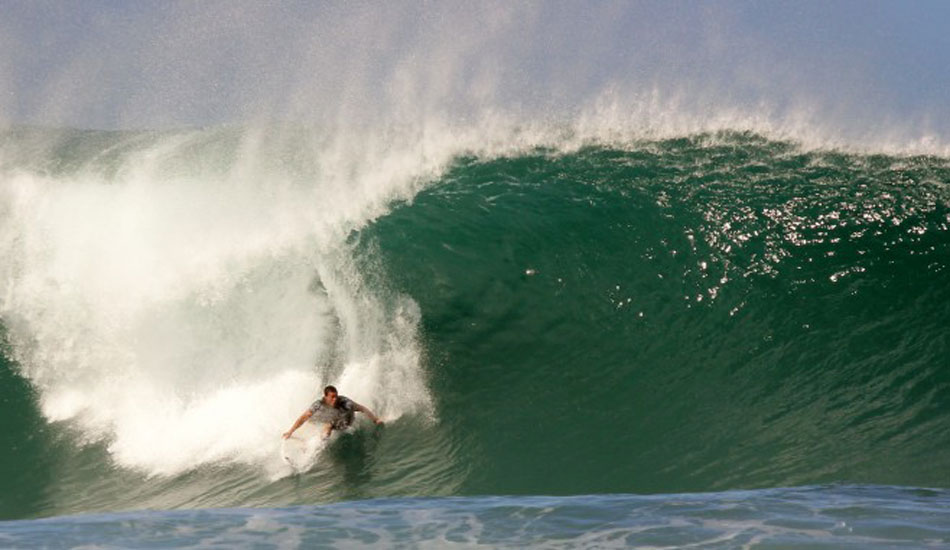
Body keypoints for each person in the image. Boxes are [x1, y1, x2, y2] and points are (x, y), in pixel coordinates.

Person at [283, 385, 383, 440]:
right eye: (332, 397)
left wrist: (375, 419)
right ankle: (315, 443)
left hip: (344, 423)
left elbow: (362, 408)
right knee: (319, 422)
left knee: (329, 424)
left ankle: (318, 440)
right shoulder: (319, 404)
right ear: (325, 396)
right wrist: (290, 431)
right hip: (332, 421)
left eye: (336, 396)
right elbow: (303, 417)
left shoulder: (345, 402)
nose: (335, 399)